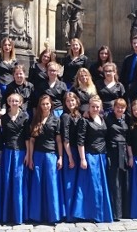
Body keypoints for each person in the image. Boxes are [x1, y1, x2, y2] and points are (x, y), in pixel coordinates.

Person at [72, 96, 113, 223]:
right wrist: (83, 158)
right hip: (91, 156)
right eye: (93, 107)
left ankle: (101, 212)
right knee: (93, 186)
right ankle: (93, 213)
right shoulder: (84, 121)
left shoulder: (102, 118)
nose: (95, 109)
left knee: (101, 186)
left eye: (97, 107)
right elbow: (80, 141)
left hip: (102, 155)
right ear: (89, 107)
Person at [27, 94, 64, 223]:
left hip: (51, 155)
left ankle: (53, 215)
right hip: (37, 154)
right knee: (37, 184)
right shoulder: (35, 119)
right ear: (40, 106)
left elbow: (59, 141)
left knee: (51, 184)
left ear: (51, 105)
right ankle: (37, 215)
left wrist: (60, 157)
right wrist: (30, 158)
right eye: (43, 104)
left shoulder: (56, 120)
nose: (45, 106)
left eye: (47, 104)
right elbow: (31, 141)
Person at [0, 94, 30, 224]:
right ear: (8, 102)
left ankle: (19, 213)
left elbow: (27, 137)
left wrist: (28, 154)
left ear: (20, 102)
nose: (14, 102)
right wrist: (0, 156)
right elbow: (2, 138)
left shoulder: (25, 117)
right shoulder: (4, 118)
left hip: (21, 152)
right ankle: (7, 214)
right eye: (11, 100)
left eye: (16, 101)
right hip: (8, 152)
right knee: (7, 181)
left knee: (19, 181)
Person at [105, 98, 131, 221]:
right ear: (113, 107)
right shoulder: (108, 118)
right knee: (114, 182)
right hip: (113, 151)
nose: (120, 109)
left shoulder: (127, 118)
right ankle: (116, 212)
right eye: (118, 107)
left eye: (122, 107)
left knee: (124, 181)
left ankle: (125, 211)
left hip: (124, 153)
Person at [60, 92, 82, 222]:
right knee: (70, 183)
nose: (71, 103)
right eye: (68, 101)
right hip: (71, 151)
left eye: (72, 101)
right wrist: (70, 157)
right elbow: (65, 138)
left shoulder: (80, 115)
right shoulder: (65, 116)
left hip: (79, 150)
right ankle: (69, 213)